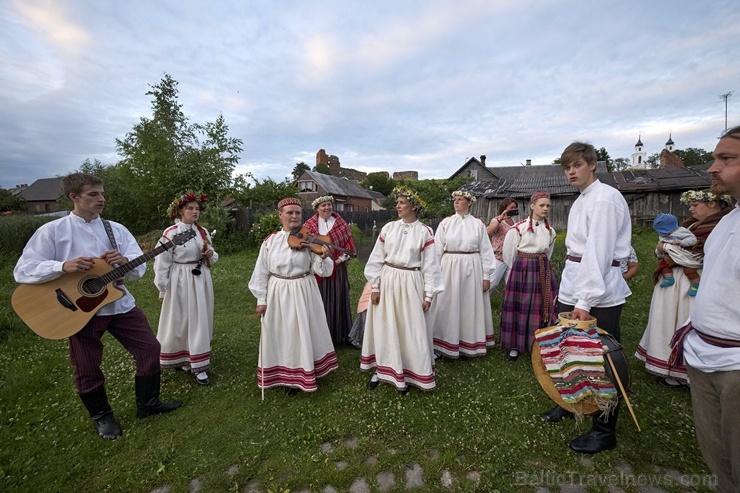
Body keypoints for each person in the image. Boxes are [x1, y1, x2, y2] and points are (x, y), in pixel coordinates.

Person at [13, 173, 182, 440]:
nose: (101, 199)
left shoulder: (116, 230)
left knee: (150, 348)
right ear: (74, 197)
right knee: (87, 365)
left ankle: (148, 404)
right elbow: (23, 270)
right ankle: (102, 417)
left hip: (119, 303)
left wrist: (125, 260)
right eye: (93, 194)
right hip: (78, 311)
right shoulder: (53, 231)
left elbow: (137, 269)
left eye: (102, 193)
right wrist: (62, 266)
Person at [539, 142, 632, 455]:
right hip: (575, 284)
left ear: (593, 164)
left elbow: (599, 253)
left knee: (601, 361)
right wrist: (567, 295)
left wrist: (584, 300)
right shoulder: (582, 200)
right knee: (568, 352)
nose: (571, 172)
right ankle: (571, 403)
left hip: (598, 291)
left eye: (577, 165)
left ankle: (604, 429)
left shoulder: (605, 199)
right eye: (567, 167)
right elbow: (576, 253)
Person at [671, 125, 740, 493]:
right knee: (720, 460)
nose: (712, 168)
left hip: (735, 367)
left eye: (725, 159)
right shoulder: (729, 221)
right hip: (705, 357)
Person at [636, 191, 731, 386]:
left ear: (712, 204)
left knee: (684, 320)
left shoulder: (721, 226)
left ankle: (684, 371)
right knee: (667, 319)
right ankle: (665, 362)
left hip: (695, 281)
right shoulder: (690, 225)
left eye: (696, 204)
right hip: (675, 279)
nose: (691, 208)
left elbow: (697, 255)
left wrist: (666, 249)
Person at [248, 197, 338, 396]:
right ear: (280, 215)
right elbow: (261, 272)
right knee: (282, 332)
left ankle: (304, 371)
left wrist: (323, 257)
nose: (294, 216)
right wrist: (261, 300)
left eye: (298, 212)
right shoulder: (270, 241)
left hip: (304, 288)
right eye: (289, 212)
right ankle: (284, 371)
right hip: (278, 291)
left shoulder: (311, 238)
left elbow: (322, 271)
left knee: (303, 331)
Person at [361, 185, 443, 393]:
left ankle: (409, 370)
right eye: (397, 202)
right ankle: (381, 369)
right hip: (387, 280)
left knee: (410, 328)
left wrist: (428, 293)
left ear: (414, 206)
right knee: (385, 325)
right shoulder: (388, 228)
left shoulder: (425, 232)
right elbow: (376, 259)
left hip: (411, 282)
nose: (397, 206)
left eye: (402, 202)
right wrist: (375, 286)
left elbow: (430, 265)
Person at [154, 192, 218, 386]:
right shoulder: (171, 232)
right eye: (190, 208)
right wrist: (162, 289)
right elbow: (161, 262)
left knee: (199, 319)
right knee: (180, 319)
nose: (194, 211)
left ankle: (198, 364)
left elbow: (213, 258)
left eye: (197, 208)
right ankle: (180, 358)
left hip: (200, 279)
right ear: (180, 210)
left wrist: (209, 253)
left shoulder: (203, 231)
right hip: (179, 278)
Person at [429, 190, 495, 359]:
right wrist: (433, 273)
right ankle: (443, 343)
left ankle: (468, 343)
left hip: (471, 268)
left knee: (468, 305)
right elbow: (436, 249)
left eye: (460, 200)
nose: (456, 202)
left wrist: (486, 275)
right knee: (447, 304)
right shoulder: (446, 223)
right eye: (455, 200)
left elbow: (486, 251)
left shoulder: (478, 224)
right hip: (449, 267)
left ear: (469, 203)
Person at [499, 191, 558, 362]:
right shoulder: (518, 228)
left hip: (542, 269)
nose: (545, 208)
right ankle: (515, 346)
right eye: (541, 205)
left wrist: (541, 265)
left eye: (548, 205)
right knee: (521, 305)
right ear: (532, 206)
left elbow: (549, 253)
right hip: (523, 269)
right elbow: (509, 254)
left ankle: (539, 344)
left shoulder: (551, 231)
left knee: (542, 306)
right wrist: (520, 269)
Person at [304, 195, 356, 346]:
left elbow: (348, 245)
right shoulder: (309, 225)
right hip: (318, 268)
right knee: (320, 300)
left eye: (328, 204)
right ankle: (321, 338)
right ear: (317, 208)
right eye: (323, 206)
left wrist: (339, 260)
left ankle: (345, 335)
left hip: (338, 269)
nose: (327, 208)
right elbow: (308, 247)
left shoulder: (341, 223)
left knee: (339, 299)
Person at [652, 212, 700, 296]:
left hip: (683, 255)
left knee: (689, 270)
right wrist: (659, 252)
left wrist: (682, 242)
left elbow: (693, 240)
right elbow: (660, 243)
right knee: (663, 266)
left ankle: (695, 284)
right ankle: (669, 278)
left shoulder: (681, 231)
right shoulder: (663, 235)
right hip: (670, 255)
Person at [486, 197, 519, 288]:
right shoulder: (496, 220)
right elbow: (489, 232)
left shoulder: (514, 222)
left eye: (515, 208)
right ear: (505, 207)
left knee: (511, 285)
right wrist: (500, 219)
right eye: (511, 207)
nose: (514, 209)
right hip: (498, 257)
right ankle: (480, 301)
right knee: (492, 283)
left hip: (511, 257)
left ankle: (508, 302)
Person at [347, 282, 372, 350]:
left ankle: (352, 337)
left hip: (366, 303)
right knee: (366, 324)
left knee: (360, 321)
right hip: (369, 303)